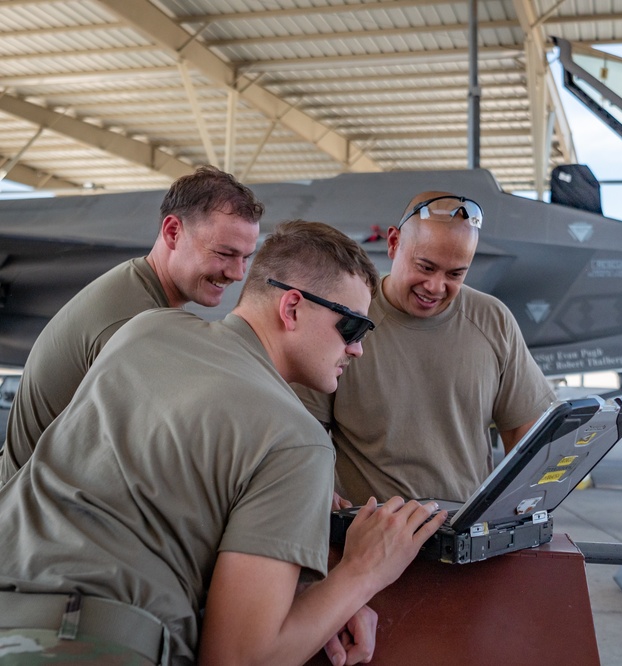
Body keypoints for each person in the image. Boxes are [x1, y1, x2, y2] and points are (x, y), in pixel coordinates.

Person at [0, 220, 448, 666]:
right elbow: (238, 657)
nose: (357, 350)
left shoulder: (144, 330)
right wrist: (361, 572)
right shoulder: (295, 441)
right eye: (352, 328)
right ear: (292, 308)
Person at [0, 166, 263, 485]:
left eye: (246, 258)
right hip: (33, 519)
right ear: (172, 232)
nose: (237, 273)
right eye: (225, 253)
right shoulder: (133, 321)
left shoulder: (139, 291)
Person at [300, 190, 555, 504]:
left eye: (455, 274)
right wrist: (321, 495)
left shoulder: (492, 320)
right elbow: (300, 435)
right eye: (425, 267)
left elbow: (529, 436)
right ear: (394, 243)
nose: (436, 287)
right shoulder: (346, 317)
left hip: (465, 536)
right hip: (371, 537)